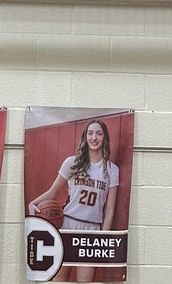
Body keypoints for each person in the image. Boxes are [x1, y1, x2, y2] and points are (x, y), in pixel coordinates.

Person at [28, 119, 119, 283]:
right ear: (85, 137)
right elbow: (53, 192)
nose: (94, 138)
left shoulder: (112, 170)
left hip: (92, 231)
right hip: (68, 226)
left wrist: (103, 238)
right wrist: (32, 203)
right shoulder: (71, 163)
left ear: (104, 138)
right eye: (90, 133)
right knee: (59, 280)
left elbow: (110, 209)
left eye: (99, 133)